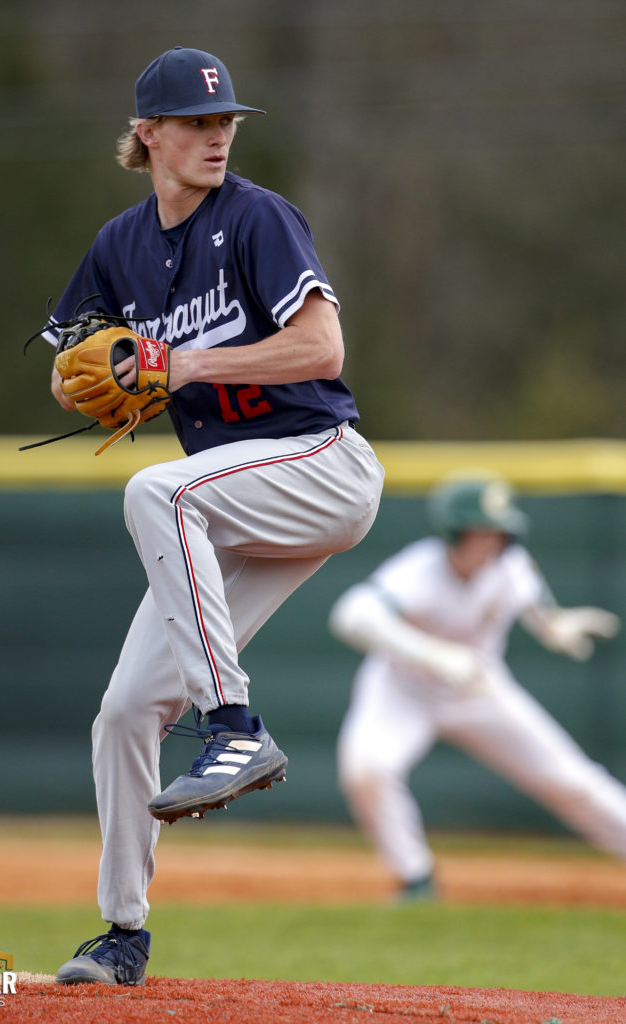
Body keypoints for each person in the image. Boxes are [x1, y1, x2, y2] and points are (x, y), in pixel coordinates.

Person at [44, 47, 385, 985]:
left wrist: (180, 367)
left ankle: (234, 722)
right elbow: (68, 370)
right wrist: (98, 379)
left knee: (157, 488)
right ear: (147, 134)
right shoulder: (118, 245)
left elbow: (322, 345)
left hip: (321, 466)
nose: (217, 134)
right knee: (122, 714)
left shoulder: (257, 216)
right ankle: (121, 935)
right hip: (236, 507)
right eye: (196, 122)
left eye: (226, 119)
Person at [329, 473, 626, 902]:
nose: (492, 540)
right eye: (481, 530)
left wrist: (556, 627)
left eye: (499, 531)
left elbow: (539, 611)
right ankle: (416, 878)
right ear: (453, 531)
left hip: (478, 689)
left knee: (572, 780)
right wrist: (432, 654)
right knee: (366, 771)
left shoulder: (511, 566)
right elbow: (351, 616)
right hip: (401, 689)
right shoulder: (418, 569)